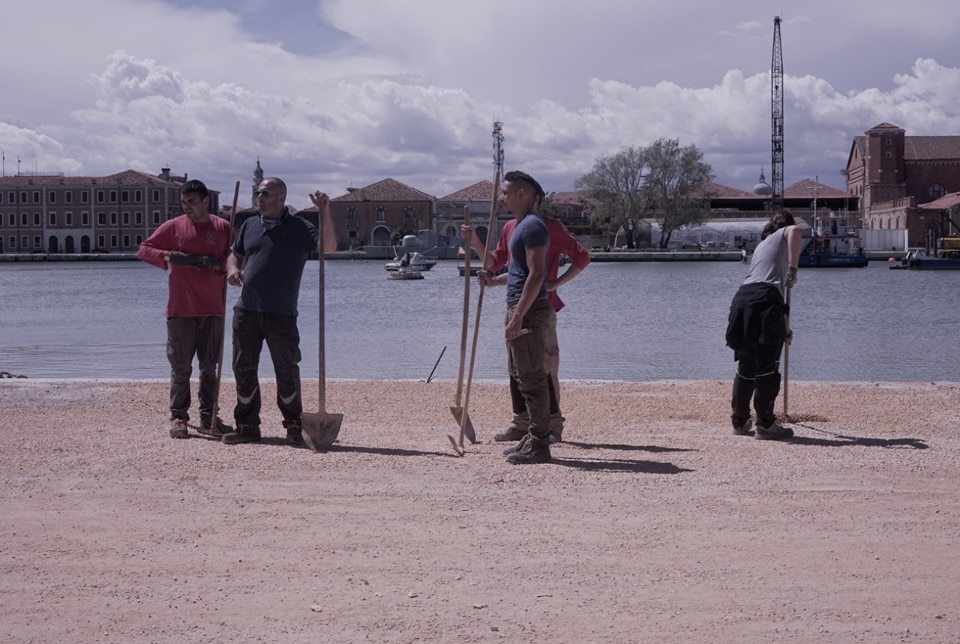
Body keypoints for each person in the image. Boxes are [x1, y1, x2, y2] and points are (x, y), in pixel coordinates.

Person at [462, 192, 590, 444]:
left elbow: (582, 257)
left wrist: (555, 284)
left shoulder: (549, 227)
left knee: (544, 367)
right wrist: (475, 241)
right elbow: (495, 263)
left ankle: (552, 426)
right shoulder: (510, 227)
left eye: (511, 194)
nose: (505, 200)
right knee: (516, 367)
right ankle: (521, 423)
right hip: (513, 305)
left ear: (532, 198)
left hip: (542, 307)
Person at [220, 177, 324, 446]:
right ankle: (247, 426)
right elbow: (235, 255)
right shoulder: (250, 225)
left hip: (281, 312)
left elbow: (330, 247)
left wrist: (326, 212)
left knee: (286, 369)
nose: (258, 197)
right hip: (246, 310)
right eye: (258, 193)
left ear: (280, 197)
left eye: (264, 193)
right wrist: (232, 269)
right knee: (243, 368)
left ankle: (293, 425)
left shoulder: (301, 227)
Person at [466, 170, 554, 464]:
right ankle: (533, 435)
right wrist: (491, 278)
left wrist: (517, 317)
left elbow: (537, 274)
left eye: (505, 192)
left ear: (522, 194)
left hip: (528, 309)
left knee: (532, 378)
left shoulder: (532, 227)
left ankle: (541, 444)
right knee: (521, 376)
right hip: (518, 305)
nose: (501, 197)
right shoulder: (517, 226)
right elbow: (509, 269)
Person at [137, 179, 234, 439]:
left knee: (209, 367)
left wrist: (220, 265)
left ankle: (209, 416)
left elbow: (238, 258)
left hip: (214, 309)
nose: (187, 207)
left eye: (191, 202)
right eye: (183, 203)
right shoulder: (173, 227)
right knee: (181, 368)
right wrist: (169, 256)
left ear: (205, 201)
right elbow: (144, 250)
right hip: (180, 311)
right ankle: (179, 416)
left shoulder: (223, 227)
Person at [724, 209, 801, 440]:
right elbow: (795, 231)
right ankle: (766, 424)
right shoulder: (782, 233)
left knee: (746, 366)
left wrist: (784, 330)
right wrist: (793, 269)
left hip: (743, 300)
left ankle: (740, 421)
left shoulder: (762, 245)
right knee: (767, 367)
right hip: (765, 300)